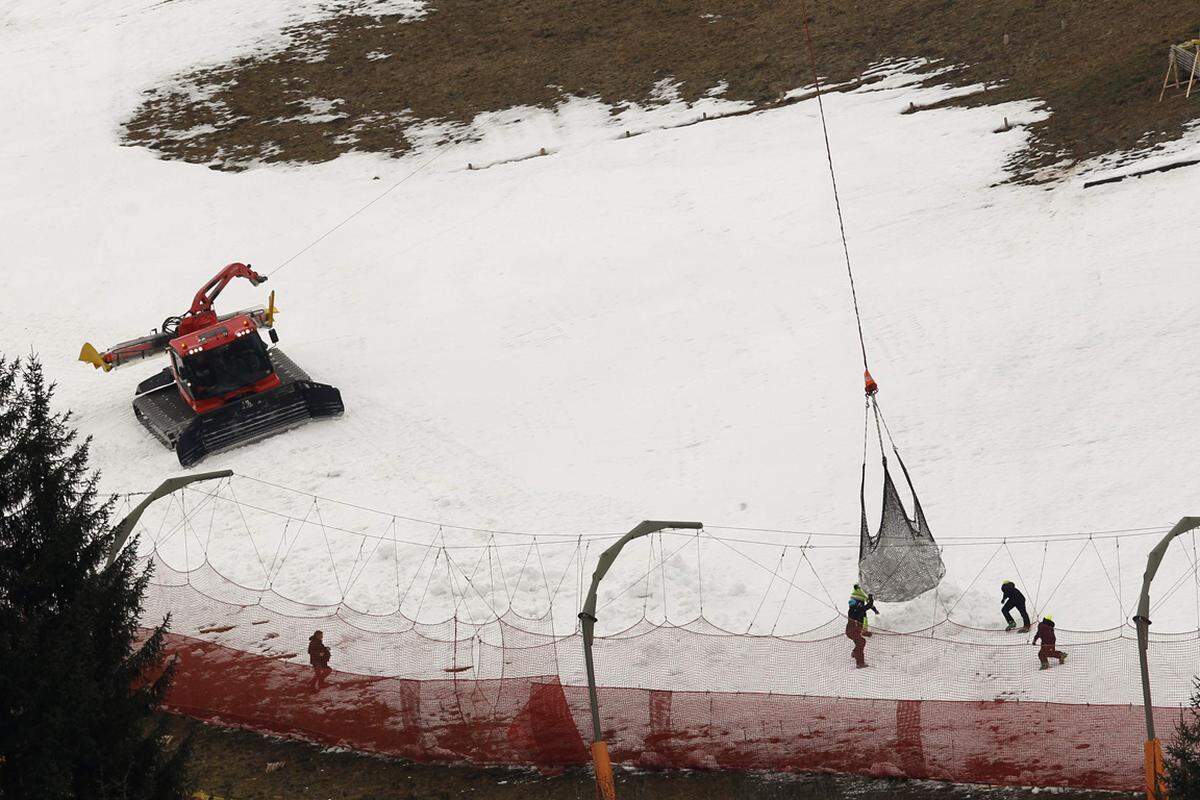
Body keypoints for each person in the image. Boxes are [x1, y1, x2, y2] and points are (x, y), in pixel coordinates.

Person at [845, 593, 878, 668]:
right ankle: (860, 663)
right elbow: (869, 605)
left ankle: (854, 652)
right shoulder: (858, 609)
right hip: (854, 631)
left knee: (860, 642)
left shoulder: (851, 610)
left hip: (850, 631)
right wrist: (870, 598)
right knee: (861, 642)